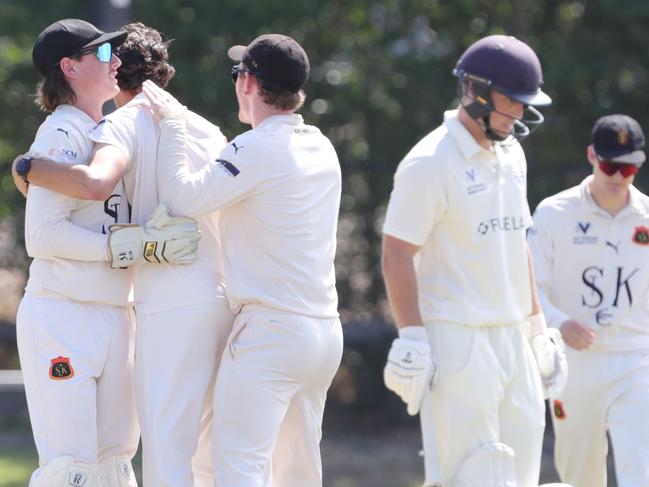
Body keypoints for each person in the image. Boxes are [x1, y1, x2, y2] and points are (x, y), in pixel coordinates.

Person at [13, 22, 233, 487]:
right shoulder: (60, 131)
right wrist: (115, 250)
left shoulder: (108, 130)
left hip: (118, 315)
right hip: (63, 316)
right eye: (102, 52)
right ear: (69, 67)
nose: (115, 60)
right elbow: (43, 237)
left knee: (115, 466)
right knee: (70, 470)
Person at [141, 33, 343, 487]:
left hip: (271, 335)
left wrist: (173, 123)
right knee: (299, 474)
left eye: (238, 74)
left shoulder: (255, 148)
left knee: (238, 470)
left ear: (248, 83)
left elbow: (181, 197)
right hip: (324, 334)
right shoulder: (321, 145)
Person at [381, 35, 567, 487]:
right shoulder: (430, 161)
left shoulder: (511, 153)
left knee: (522, 474)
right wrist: (413, 336)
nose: (521, 112)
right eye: (513, 101)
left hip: (512, 339)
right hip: (457, 340)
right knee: (472, 473)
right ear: (477, 91)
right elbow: (397, 253)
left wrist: (536, 328)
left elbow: (516, 241)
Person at [528, 114, 649, 487]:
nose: (617, 176)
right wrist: (560, 324)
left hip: (637, 360)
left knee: (640, 471)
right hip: (573, 363)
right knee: (580, 475)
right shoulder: (553, 213)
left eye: (628, 168)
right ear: (592, 157)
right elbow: (529, 289)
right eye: (610, 165)